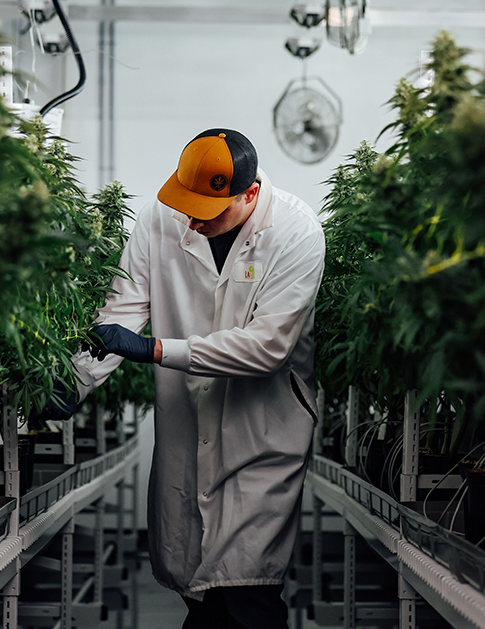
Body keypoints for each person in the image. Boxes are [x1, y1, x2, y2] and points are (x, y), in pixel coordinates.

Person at [71, 128, 325, 629]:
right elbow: (121, 311)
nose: (192, 219)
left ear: (249, 194)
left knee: (246, 589)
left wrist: (157, 349)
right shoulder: (159, 219)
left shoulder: (297, 232)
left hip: (261, 432)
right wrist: (73, 381)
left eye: (210, 211)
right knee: (198, 587)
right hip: (186, 422)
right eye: (187, 205)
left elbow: (267, 346)